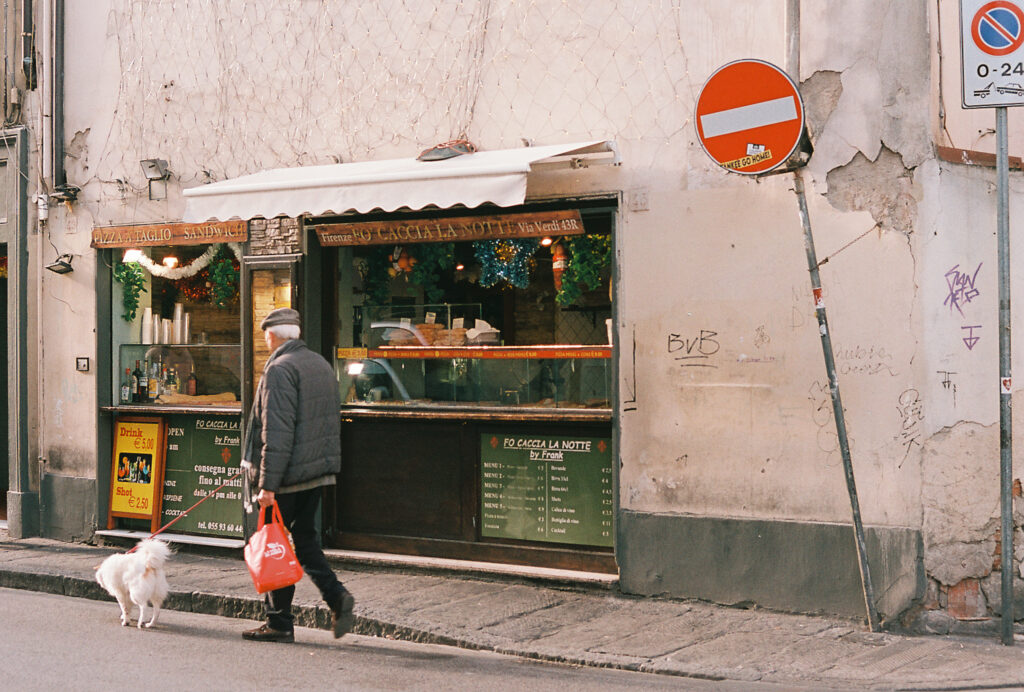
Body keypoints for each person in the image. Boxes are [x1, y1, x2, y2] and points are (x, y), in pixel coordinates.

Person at [241, 307, 355, 643]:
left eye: (266, 336)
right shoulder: (319, 363)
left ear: (273, 335)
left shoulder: (279, 369)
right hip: (316, 473)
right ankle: (337, 597)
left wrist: (267, 485)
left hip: (287, 476)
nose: (266, 341)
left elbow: (276, 433)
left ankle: (278, 622)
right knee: (304, 542)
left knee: (273, 544)